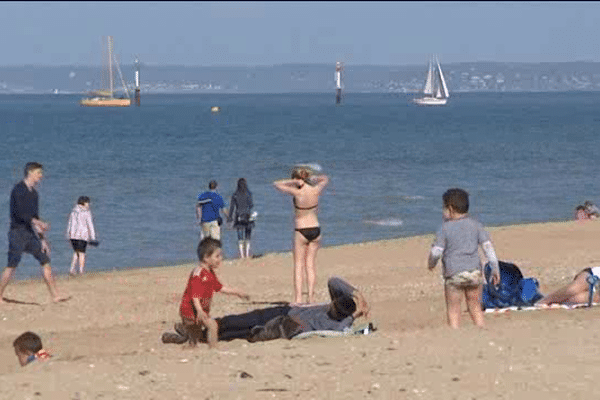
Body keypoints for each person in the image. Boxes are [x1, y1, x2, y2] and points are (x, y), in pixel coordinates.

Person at [163, 276, 370, 344]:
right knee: (241, 331)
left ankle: (195, 334)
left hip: (286, 318)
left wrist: (358, 296)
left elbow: (334, 281)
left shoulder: (337, 318)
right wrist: (356, 310)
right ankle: (197, 335)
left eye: (334, 303)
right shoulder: (343, 321)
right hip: (286, 321)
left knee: (240, 323)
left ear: (335, 305)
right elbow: (333, 282)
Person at [427, 188, 500, 329]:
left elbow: (436, 252)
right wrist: (495, 268)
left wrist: (431, 263)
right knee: (475, 306)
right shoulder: (476, 225)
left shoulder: (444, 228)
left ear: (450, 209)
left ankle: (455, 333)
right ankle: (481, 329)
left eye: (444, 208)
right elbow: (487, 247)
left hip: (454, 274)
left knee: (453, 308)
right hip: (474, 273)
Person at [0, 162, 69, 304]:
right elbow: (20, 214)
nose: (41, 176)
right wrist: (38, 223)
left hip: (30, 234)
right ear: (30, 172)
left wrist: (43, 239)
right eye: (39, 173)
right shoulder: (18, 190)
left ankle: (55, 296)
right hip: (17, 233)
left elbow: (35, 217)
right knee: (12, 266)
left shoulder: (35, 194)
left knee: (45, 260)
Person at [177, 237, 249, 348]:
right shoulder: (198, 274)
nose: (220, 259)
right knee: (212, 325)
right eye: (217, 256)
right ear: (206, 257)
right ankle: (213, 348)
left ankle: (190, 347)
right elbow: (194, 295)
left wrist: (237, 292)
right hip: (190, 311)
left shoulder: (210, 273)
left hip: (200, 311)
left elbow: (220, 288)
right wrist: (199, 310)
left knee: (195, 337)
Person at [273, 166, 329, 303]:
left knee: (299, 265)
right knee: (310, 264)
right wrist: (313, 178)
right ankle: (310, 297)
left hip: (301, 229)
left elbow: (276, 184)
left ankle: (298, 299)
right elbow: (325, 178)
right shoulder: (316, 190)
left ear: (297, 179)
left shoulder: (297, 193)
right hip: (316, 228)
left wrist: (294, 182)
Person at [66, 196, 97, 275]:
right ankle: (81, 270)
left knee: (76, 252)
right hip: (82, 235)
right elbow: (90, 224)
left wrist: (68, 234)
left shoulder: (73, 211)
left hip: (73, 235)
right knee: (82, 253)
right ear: (84, 203)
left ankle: (72, 269)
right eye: (88, 202)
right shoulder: (86, 212)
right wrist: (93, 237)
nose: (89, 204)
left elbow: (70, 223)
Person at [227, 178, 255, 259]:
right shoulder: (248, 193)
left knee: (240, 237)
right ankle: (247, 254)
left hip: (238, 215)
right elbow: (251, 205)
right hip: (247, 215)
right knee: (248, 236)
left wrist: (230, 218)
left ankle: (242, 255)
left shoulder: (235, 194)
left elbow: (232, 207)